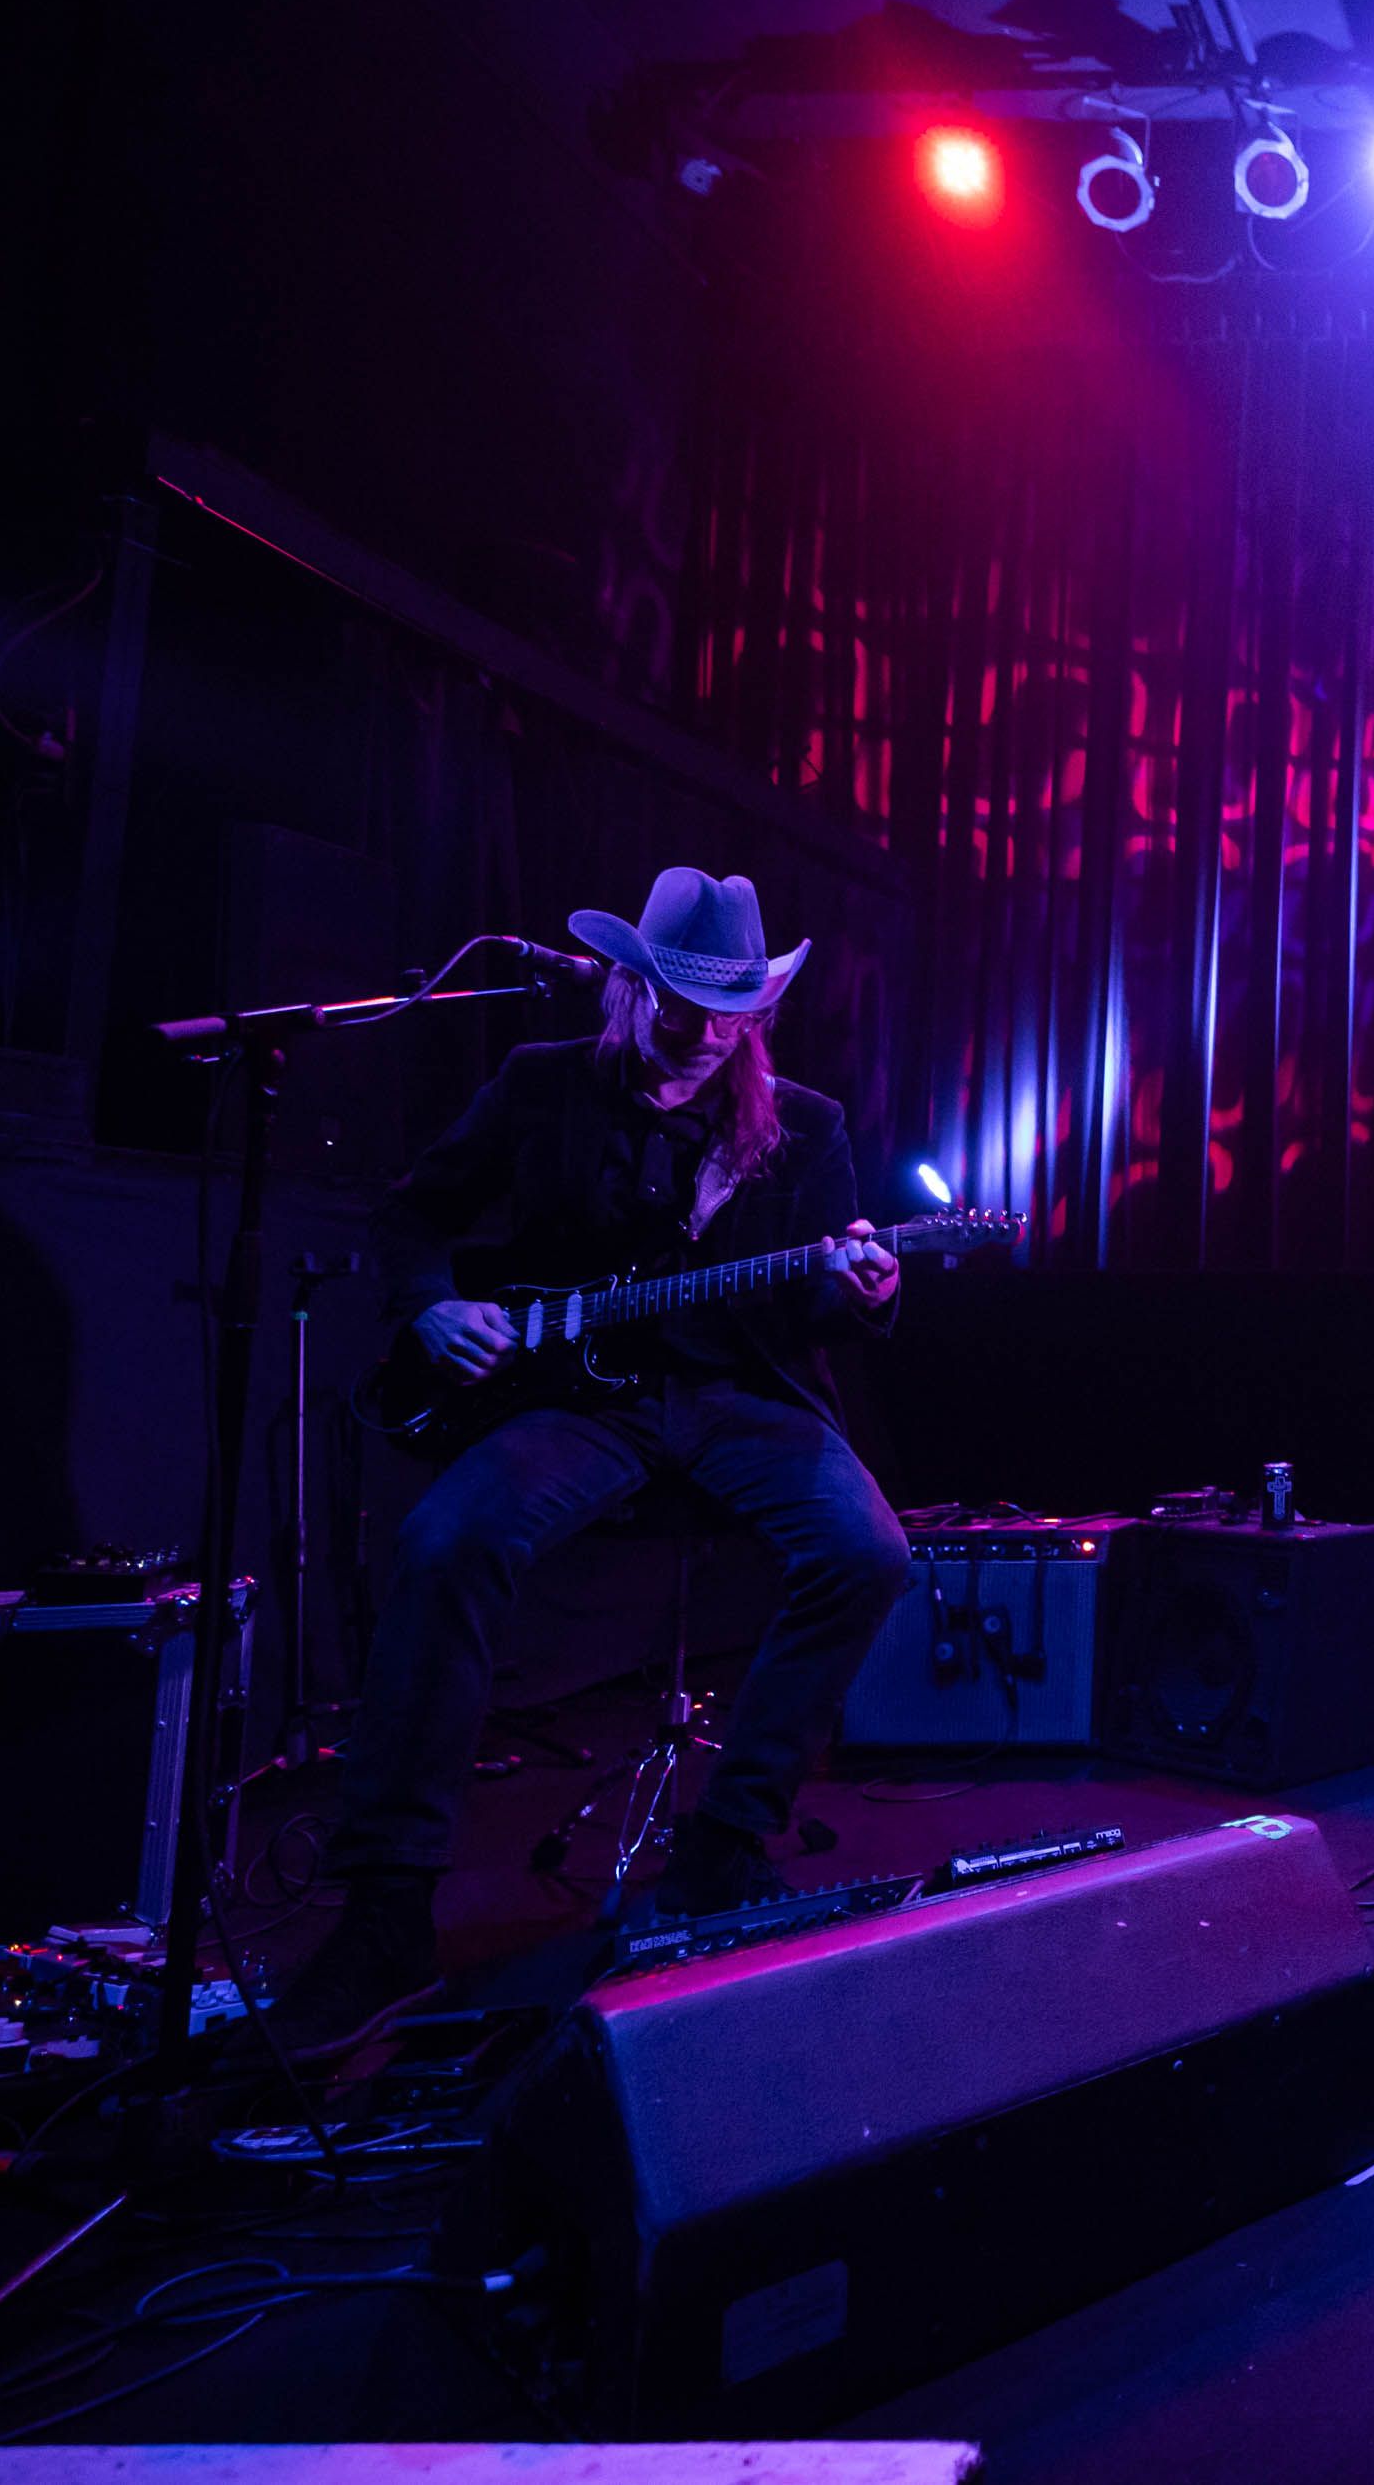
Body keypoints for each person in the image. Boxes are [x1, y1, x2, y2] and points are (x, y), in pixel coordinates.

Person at [264, 867, 912, 2059]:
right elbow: (414, 1216)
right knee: (444, 1543)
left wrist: (862, 1289)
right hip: (578, 1402)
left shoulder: (805, 1126)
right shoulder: (542, 1085)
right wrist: (430, 1308)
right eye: (684, 1008)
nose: (707, 1037)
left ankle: (724, 1845)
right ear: (630, 986)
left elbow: (817, 1306)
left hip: (738, 1399)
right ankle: (388, 1909)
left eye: (733, 1016)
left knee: (868, 1553)